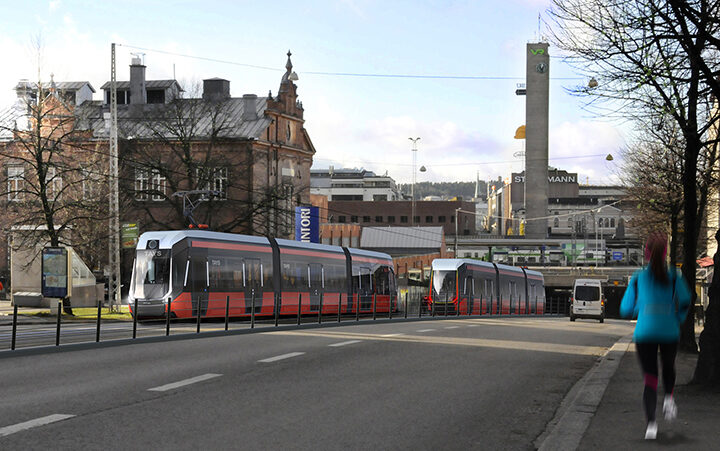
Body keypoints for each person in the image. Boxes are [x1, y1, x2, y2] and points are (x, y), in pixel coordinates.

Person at [620, 231, 691, 440]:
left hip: (645, 332)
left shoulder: (638, 277)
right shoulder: (674, 276)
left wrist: (639, 310)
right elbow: (686, 300)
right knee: (669, 366)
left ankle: (651, 425)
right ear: (666, 252)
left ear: (647, 252)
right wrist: (678, 317)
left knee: (650, 378)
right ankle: (669, 398)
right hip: (670, 330)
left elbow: (625, 309)